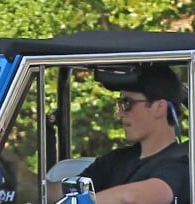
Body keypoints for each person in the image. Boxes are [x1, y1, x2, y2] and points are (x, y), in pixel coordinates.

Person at [48, 65, 190, 204]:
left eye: (127, 103)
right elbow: (60, 193)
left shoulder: (182, 164)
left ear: (159, 108)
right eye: (120, 103)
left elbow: (130, 198)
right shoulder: (115, 161)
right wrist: (28, 181)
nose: (120, 113)